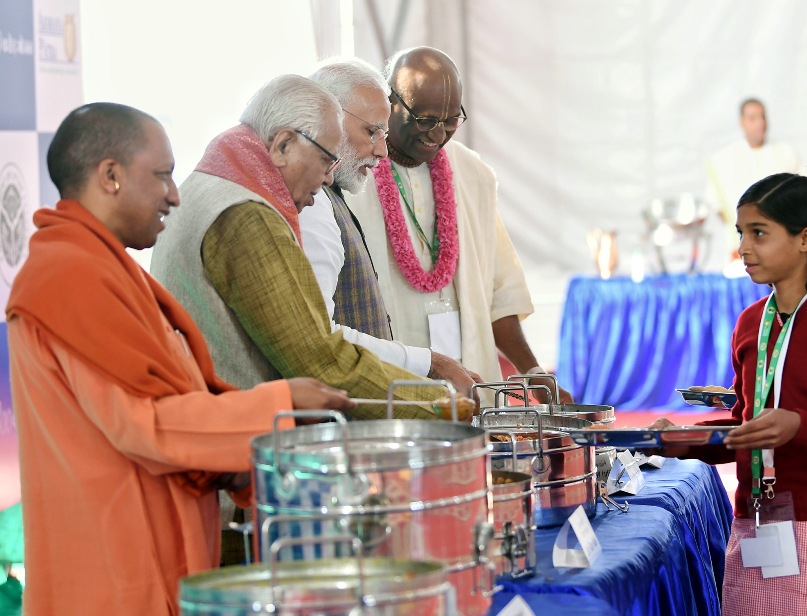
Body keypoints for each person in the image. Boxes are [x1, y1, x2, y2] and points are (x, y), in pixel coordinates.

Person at [6, 102, 355, 614]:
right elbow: (143, 425)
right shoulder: (68, 277)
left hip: (154, 550)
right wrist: (276, 408)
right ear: (110, 176)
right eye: (163, 175)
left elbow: (176, 395)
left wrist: (243, 456)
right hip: (114, 569)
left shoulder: (106, 269)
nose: (174, 194)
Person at [150, 75, 470, 415]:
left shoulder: (211, 184)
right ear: (284, 145)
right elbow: (319, 359)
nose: (329, 177)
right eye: (325, 160)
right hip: (236, 446)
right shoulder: (246, 214)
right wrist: (440, 408)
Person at [654, 173, 807, 615]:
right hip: (754, 528)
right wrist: (684, 441)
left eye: (759, 233)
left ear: (806, 239)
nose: (744, 248)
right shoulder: (751, 323)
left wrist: (801, 426)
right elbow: (747, 426)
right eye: (741, 233)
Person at [347, 47, 573, 403]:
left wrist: (533, 373)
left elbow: (499, 292)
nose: (438, 135)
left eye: (451, 120)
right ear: (389, 102)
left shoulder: (473, 174)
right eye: (425, 120)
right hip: (393, 386)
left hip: (472, 385)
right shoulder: (354, 174)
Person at [300, 58, 476, 384]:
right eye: (372, 132)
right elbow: (317, 336)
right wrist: (428, 365)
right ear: (326, 120)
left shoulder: (330, 192)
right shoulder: (312, 204)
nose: (381, 151)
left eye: (451, 120)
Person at [704, 98, 799, 266]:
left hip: (780, 248)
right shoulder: (725, 160)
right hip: (740, 249)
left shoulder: (785, 153)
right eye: (753, 118)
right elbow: (716, 204)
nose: (760, 123)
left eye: (762, 117)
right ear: (742, 122)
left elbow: (800, 195)